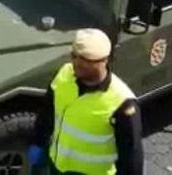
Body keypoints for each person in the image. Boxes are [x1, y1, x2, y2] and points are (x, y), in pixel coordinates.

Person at [29, 28, 143, 175]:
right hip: (57, 166)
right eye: (74, 56)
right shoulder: (65, 74)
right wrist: (38, 142)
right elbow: (47, 113)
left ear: (104, 60)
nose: (77, 63)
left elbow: (131, 157)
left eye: (86, 60)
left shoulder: (122, 103)